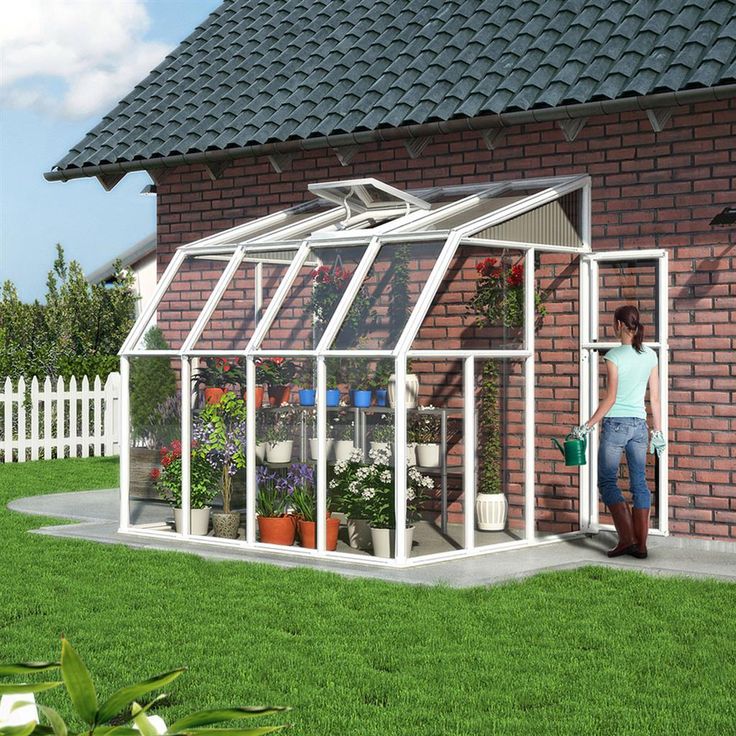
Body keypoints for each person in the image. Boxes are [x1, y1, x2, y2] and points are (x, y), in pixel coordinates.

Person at [575, 305, 666, 559]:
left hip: (616, 425)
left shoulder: (614, 356)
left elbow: (611, 398)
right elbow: (655, 399)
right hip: (640, 425)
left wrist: (587, 425)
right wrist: (658, 432)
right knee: (640, 484)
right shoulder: (649, 355)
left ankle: (626, 540)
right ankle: (641, 545)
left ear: (618, 326)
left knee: (607, 481)